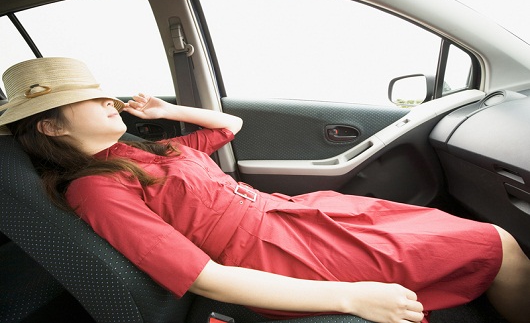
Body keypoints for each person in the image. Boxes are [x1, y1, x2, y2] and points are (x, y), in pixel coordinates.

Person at [1, 57, 529, 323]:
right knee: (498, 244)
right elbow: (206, 278)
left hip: (296, 217)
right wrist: (350, 296)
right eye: (92, 101)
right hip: (275, 257)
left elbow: (226, 125)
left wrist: (163, 113)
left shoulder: (139, 151)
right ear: (50, 126)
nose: (109, 103)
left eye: (104, 95)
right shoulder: (96, 191)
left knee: (472, 236)